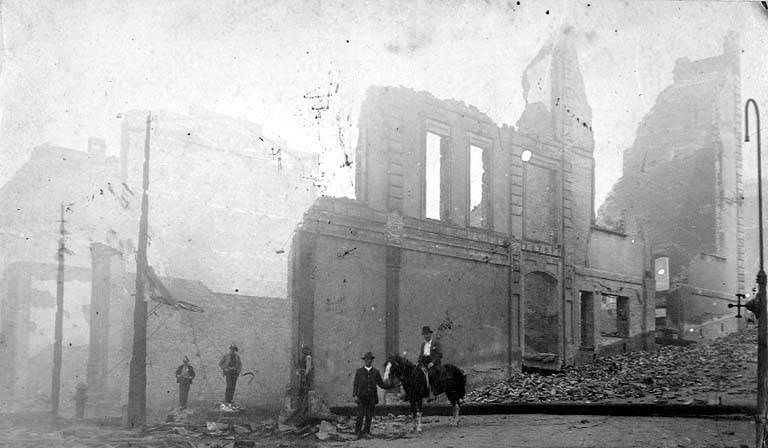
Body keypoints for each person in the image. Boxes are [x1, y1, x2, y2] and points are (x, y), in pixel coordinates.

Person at [352, 352, 384, 439]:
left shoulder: (376, 372)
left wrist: (391, 385)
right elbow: (355, 384)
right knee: (360, 415)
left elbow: (381, 384)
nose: (368, 361)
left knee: (369, 416)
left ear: (372, 361)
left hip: (372, 398)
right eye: (366, 359)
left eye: (370, 359)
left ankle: (366, 432)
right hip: (361, 397)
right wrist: (355, 395)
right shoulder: (359, 372)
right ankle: (357, 432)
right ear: (364, 360)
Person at [417, 326, 443, 399]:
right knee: (417, 373)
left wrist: (433, 362)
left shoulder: (436, 343)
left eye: (427, 334)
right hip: (424, 362)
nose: (426, 336)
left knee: (431, 374)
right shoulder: (423, 344)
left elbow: (439, 354)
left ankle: (433, 393)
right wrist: (419, 362)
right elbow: (421, 354)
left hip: (432, 362)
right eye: (425, 334)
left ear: (430, 334)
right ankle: (420, 393)